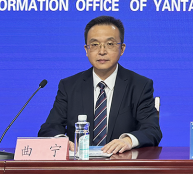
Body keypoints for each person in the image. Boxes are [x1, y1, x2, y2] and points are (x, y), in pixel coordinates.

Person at [37, 15, 161, 153]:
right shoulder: (69, 86)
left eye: (110, 44)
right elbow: (49, 128)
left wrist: (128, 141)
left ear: (122, 49)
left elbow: (152, 130)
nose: (102, 52)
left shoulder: (139, 85)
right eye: (95, 45)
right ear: (86, 49)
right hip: (79, 164)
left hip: (121, 163)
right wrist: (61, 142)